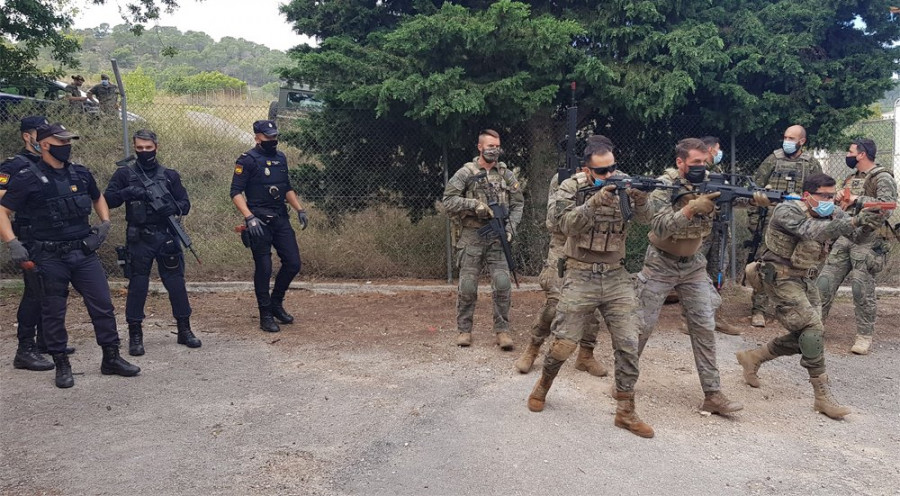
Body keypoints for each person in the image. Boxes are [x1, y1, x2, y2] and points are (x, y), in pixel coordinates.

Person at [526, 139, 654, 438]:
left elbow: (649, 222)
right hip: (580, 273)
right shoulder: (571, 187)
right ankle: (543, 384)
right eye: (602, 171)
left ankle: (625, 411)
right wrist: (593, 202)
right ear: (587, 169)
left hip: (615, 274)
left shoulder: (624, 184)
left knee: (628, 342)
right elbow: (563, 225)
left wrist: (641, 200)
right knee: (564, 343)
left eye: (611, 167)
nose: (609, 174)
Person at [0, 123, 140, 388]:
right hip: (49, 256)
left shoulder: (80, 173)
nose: (67, 146)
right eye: (60, 142)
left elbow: (98, 198)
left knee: (102, 305)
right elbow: (3, 211)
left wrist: (105, 223)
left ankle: (111, 357)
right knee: (53, 312)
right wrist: (12, 242)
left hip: (83, 252)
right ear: (43, 144)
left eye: (68, 142)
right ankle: (61, 364)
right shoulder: (27, 176)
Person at [736, 173, 883, 419]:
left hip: (805, 279)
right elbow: (812, 231)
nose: (830, 200)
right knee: (812, 328)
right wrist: (855, 221)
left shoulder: (833, 213)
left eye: (832, 195)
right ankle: (822, 397)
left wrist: (869, 223)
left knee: (811, 333)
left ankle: (754, 357)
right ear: (807, 195)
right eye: (824, 196)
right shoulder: (787, 211)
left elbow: (857, 236)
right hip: (778, 278)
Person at [635, 138, 744, 415]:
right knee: (641, 326)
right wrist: (690, 209)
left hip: (694, 265)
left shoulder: (713, 181)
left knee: (704, 326)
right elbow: (659, 226)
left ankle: (713, 394)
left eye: (704, 161)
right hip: (661, 263)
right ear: (680, 162)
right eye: (695, 163)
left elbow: (735, 197)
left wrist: (755, 199)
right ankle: (624, 382)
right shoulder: (664, 186)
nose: (701, 167)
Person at [514, 135, 613, 376]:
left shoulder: (610, 180)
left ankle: (586, 355)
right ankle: (533, 347)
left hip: (594, 250)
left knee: (593, 308)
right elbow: (553, 223)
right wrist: (588, 204)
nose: (608, 171)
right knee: (554, 304)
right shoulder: (563, 181)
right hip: (563, 248)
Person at [104, 129, 201, 355]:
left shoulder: (169, 175)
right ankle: (135, 336)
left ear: (156, 147)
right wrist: (129, 192)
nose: (144, 152)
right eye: (140, 149)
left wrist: (173, 207)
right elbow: (108, 200)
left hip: (166, 235)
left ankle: (184, 330)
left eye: (148, 148)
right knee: (138, 285)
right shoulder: (124, 174)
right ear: (135, 148)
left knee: (176, 283)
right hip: (139, 238)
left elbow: (185, 203)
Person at [442, 129, 524, 350]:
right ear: (480, 147)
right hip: (472, 235)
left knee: (502, 284)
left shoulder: (507, 174)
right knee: (467, 285)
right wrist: (473, 205)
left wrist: (510, 227)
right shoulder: (466, 172)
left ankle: (502, 331)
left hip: (498, 237)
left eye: (497, 146)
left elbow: (518, 204)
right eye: (490, 146)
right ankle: (464, 330)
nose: (494, 150)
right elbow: (448, 200)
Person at [816, 138, 898, 355]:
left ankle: (864, 336)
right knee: (824, 283)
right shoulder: (852, 178)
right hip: (847, 235)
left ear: (861, 154)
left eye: (850, 151)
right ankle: (814, 328)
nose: (847, 154)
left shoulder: (882, 177)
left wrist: (856, 199)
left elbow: (887, 206)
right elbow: (846, 203)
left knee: (861, 289)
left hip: (869, 239)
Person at [230, 120, 307, 333]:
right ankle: (265, 314)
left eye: (274, 137)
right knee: (264, 268)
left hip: (280, 217)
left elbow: (286, 187)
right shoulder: (247, 160)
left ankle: (276, 303)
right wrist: (249, 217)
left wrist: (300, 209)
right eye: (267, 137)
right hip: (259, 221)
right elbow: (235, 192)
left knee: (293, 263)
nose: (272, 141)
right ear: (257, 137)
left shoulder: (281, 157)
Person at [748, 125, 822, 327]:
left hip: (799, 225)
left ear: (802, 141)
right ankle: (758, 309)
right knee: (765, 264)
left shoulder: (811, 164)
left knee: (797, 266)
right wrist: (754, 220)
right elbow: (755, 190)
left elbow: (819, 194)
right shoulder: (773, 159)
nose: (786, 141)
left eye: (791, 138)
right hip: (771, 225)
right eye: (785, 136)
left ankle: (794, 309)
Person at [0, 116, 57, 371]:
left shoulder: (53, 163)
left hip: (52, 237)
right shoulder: (13, 166)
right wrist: (12, 241)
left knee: (50, 289)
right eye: (40, 134)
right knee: (34, 292)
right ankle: (25, 349)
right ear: (27, 136)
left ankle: (46, 341)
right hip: (30, 238)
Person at [693, 136, 741, 336]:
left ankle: (716, 318)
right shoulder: (694, 175)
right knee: (695, 271)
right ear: (710, 150)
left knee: (718, 270)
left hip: (719, 228)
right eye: (717, 150)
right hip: (700, 231)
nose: (718, 154)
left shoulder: (718, 173)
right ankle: (689, 319)